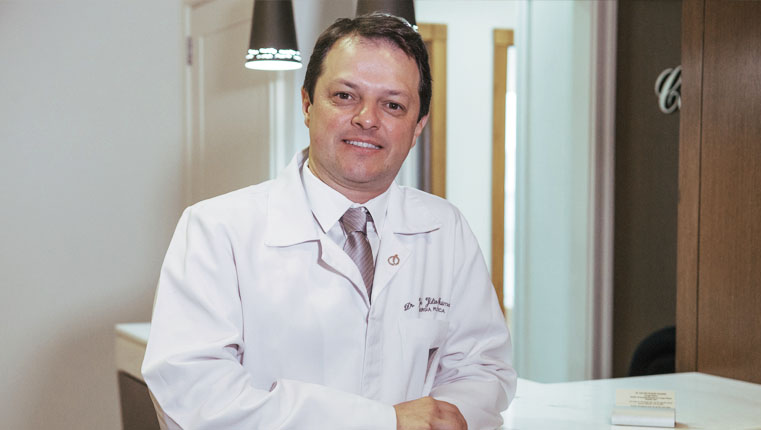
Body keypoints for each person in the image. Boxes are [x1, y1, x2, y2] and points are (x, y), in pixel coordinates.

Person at [142, 13, 516, 430]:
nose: (367, 119)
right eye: (345, 96)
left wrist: (437, 421)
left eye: (393, 105)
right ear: (307, 104)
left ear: (417, 128)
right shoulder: (216, 229)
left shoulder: (445, 229)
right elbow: (194, 396)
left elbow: (483, 369)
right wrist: (384, 423)